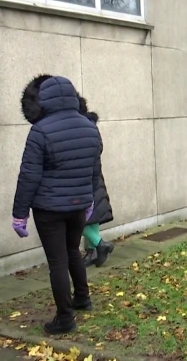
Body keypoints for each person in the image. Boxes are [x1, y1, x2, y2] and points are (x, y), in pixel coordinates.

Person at [12, 75, 103, 335]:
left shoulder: (40, 130)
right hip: (79, 204)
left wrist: (19, 214)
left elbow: (29, 175)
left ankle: (65, 318)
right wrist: (89, 200)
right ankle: (82, 298)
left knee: (57, 262)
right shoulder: (88, 126)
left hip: (49, 209)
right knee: (72, 251)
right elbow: (93, 169)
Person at [76, 95, 116, 268]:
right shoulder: (90, 126)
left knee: (76, 219)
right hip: (94, 176)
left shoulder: (81, 127)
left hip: (83, 177)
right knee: (93, 217)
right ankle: (94, 253)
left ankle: (100, 245)